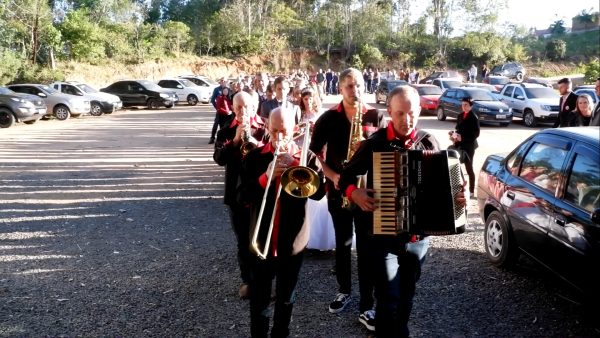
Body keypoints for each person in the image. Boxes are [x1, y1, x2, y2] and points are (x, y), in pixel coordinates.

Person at [338, 85, 466, 337]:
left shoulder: (428, 141)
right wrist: (355, 192)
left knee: (407, 296)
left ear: (418, 111)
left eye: (411, 114)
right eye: (399, 114)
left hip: (418, 238)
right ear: (390, 112)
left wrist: (461, 196)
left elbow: (452, 185)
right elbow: (344, 178)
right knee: (388, 297)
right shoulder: (373, 145)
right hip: (382, 238)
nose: (406, 120)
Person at [240, 106, 326, 338]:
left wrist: (303, 168)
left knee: (287, 297)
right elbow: (242, 196)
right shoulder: (255, 157)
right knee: (259, 298)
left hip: (293, 243)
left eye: (284, 131)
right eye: (275, 130)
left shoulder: (305, 156)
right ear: (267, 128)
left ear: (294, 130)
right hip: (261, 241)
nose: (279, 137)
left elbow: (319, 194)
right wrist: (266, 177)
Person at [310, 67, 386, 328]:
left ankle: (367, 305)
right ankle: (344, 290)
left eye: (359, 85)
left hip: (366, 193)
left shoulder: (375, 115)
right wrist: (332, 177)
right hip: (337, 189)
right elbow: (315, 154)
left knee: (366, 248)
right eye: (349, 86)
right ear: (340, 89)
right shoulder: (328, 118)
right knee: (342, 244)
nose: (355, 91)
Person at [213, 91, 266, 299]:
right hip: (236, 193)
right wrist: (235, 140)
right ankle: (248, 280)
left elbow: (272, 157)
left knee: (262, 237)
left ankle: (264, 278)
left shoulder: (265, 129)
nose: (243, 111)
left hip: (260, 192)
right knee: (243, 240)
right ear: (233, 109)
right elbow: (219, 158)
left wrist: (256, 143)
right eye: (239, 108)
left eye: (247, 107)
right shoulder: (225, 131)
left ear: (255, 107)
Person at [450, 97, 480, 199]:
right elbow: (457, 128)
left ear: (471, 105)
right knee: (455, 165)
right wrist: (453, 135)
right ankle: (459, 187)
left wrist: (462, 138)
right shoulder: (460, 115)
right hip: (459, 145)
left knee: (469, 168)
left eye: (466, 104)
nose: (463, 106)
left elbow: (476, 134)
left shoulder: (473, 117)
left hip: (469, 146)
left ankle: (471, 191)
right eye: (462, 104)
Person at [209, 77, 228, 144]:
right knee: (216, 124)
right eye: (221, 81)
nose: (223, 82)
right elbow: (212, 100)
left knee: (224, 125)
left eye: (224, 81)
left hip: (226, 112)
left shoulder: (228, 89)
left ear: (226, 82)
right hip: (219, 111)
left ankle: (222, 138)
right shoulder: (217, 89)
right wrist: (217, 108)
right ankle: (212, 137)